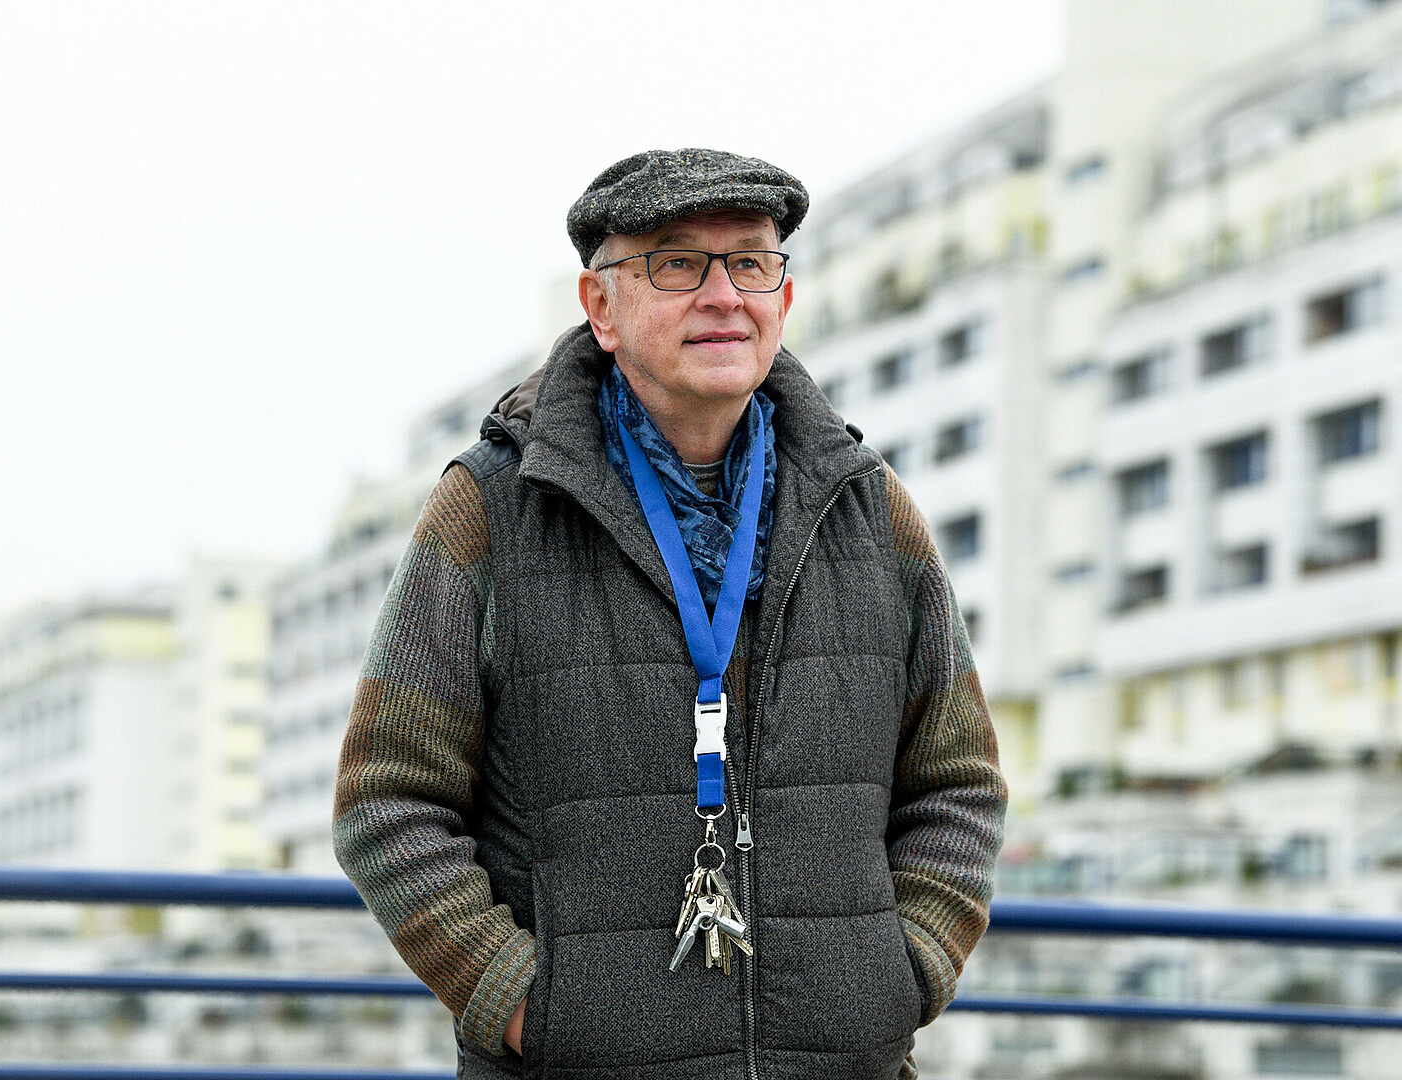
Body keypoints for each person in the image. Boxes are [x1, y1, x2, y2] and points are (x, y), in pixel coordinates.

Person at [334, 148, 1006, 1080]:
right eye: (677, 263)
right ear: (601, 306)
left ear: (784, 297)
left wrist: (903, 978)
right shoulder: (490, 507)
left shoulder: (872, 510)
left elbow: (958, 782)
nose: (724, 294)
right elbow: (388, 799)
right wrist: (531, 1007)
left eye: (751, 261)